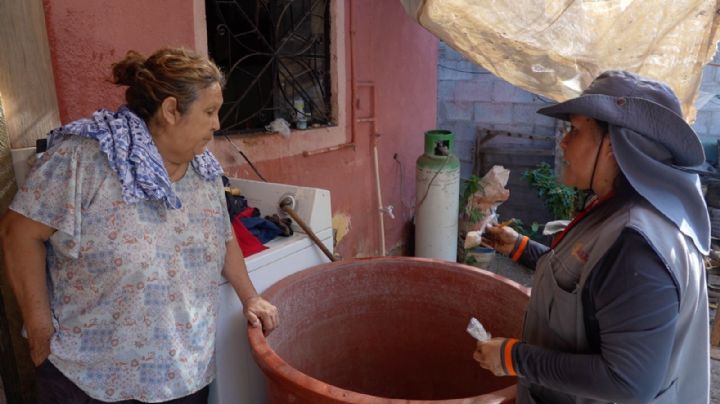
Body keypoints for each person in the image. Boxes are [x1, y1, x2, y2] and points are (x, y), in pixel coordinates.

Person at [0, 48, 279, 403]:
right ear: (171, 110)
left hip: (184, 374)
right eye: (209, 111)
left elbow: (221, 235)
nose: (217, 124)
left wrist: (250, 297)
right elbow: (17, 234)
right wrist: (40, 333)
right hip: (90, 379)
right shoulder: (84, 159)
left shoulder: (203, 169)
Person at [475, 70, 710, 403]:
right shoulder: (618, 207)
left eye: (575, 129)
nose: (563, 141)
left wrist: (513, 358)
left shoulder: (638, 246)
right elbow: (589, 284)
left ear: (615, 146)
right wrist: (521, 247)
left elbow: (627, 381)